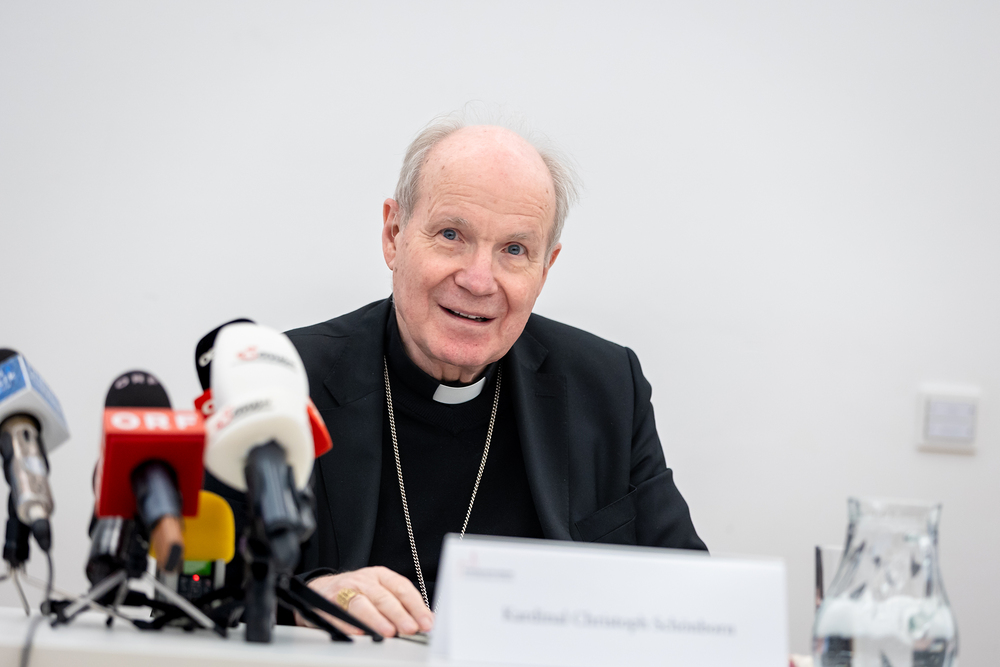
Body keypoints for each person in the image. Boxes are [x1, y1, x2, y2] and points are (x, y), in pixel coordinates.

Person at [283, 115, 706, 637]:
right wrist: (303, 599)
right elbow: (206, 579)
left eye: (514, 250)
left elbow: (690, 592)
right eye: (451, 235)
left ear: (545, 269)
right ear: (394, 235)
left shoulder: (607, 386)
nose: (479, 280)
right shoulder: (284, 380)